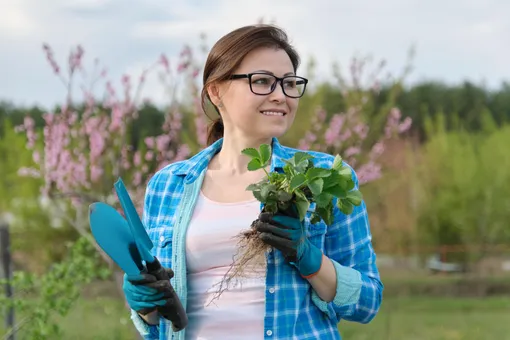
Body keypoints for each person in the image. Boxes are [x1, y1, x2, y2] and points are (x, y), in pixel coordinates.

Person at [122, 24, 383, 340]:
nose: (280, 95)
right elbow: (156, 322)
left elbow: (367, 303)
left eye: (289, 84)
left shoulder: (323, 177)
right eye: (261, 81)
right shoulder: (167, 185)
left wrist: (311, 259)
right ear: (216, 90)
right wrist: (143, 304)